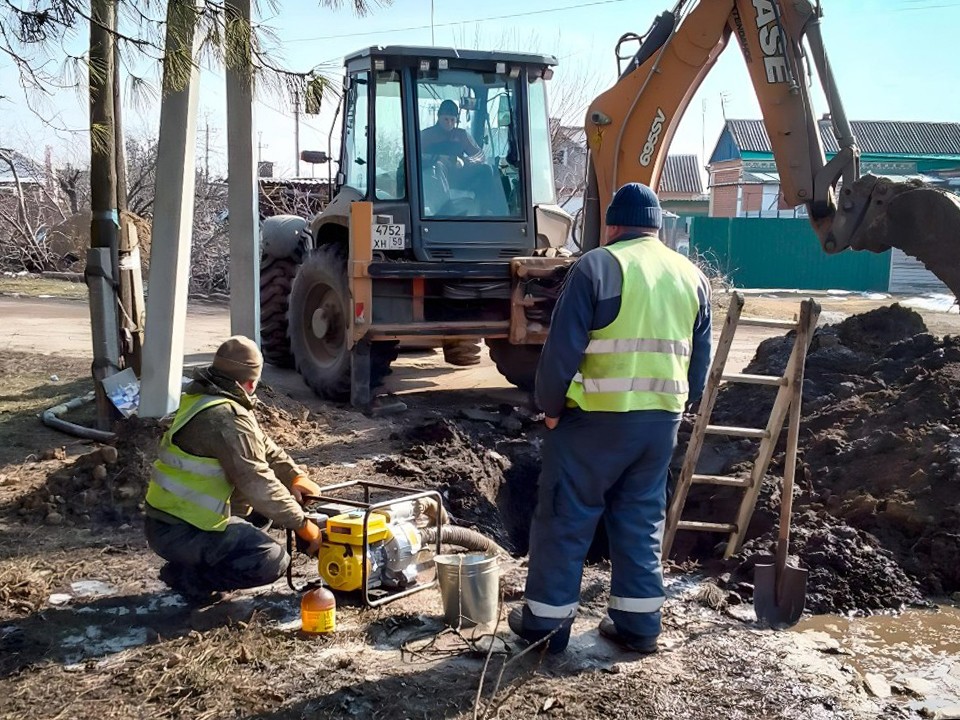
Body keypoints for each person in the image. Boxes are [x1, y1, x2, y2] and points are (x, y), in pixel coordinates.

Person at [508, 183, 712, 654]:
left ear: (613, 225)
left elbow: (561, 354)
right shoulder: (691, 275)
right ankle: (639, 626)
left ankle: (547, 625)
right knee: (640, 518)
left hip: (593, 423)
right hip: (660, 426)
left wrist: (550, 409)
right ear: (657, 226)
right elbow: (698, 364)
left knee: (566, 515)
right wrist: (680, 408)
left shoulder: (597, 266)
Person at [145, 335, 323, 601]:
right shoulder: (226, 417)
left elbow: (264, 446)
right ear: (251, 382)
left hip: (170, 520)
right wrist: (302, 523)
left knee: (263, 515)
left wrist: (295, 475)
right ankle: (189, 578)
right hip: (178, 530)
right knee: (271, 560)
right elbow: (256, 480)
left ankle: (194, 563)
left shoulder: (208, 397)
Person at [420, 99, 508, 215]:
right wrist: (437, 158)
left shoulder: (461, 135)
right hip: (433, 176)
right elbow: (416, 156)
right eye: (446, 119)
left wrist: (464, 161)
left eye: (452, 120)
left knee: (487, 169)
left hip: (458, 175)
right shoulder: (426, 135)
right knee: (438, 166)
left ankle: (496, 212)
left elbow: (479, 155)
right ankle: (445, 208)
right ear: (439, 117)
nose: (449, 123)